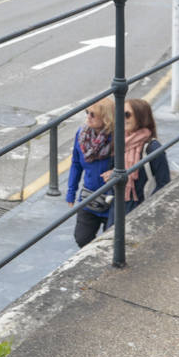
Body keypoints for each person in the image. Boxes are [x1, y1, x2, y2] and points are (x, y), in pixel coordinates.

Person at [68, 98, 172, 247]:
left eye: (127, 115)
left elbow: (163, 183)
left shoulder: (152, 148)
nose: (121, 118)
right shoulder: (119, 141)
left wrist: (147, 210)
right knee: (106, 245)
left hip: (139, 205)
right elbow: (80, 164)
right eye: (120, 114)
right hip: (118, 204)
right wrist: (113, 176)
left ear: (141, 117)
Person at [65, 99, 116, 248]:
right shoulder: (81, 135)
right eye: (87, 113)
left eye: (93, 114)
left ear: (106, 118)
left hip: (113, 198)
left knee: (110, 243)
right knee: (82, 238)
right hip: (89, 196)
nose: (88, 117)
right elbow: (75, 163)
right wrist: (71, 191)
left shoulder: (117, 138)